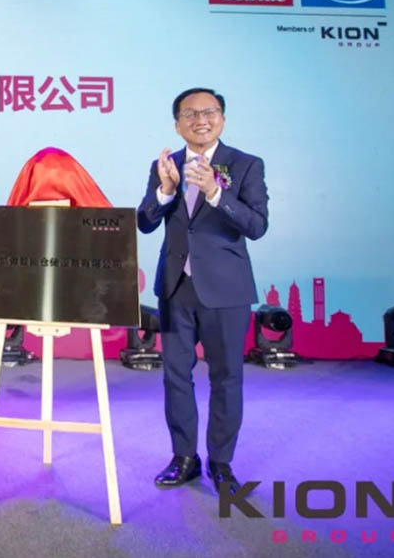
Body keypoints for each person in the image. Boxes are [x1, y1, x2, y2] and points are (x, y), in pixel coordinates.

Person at [136, 88, 268, 495]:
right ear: (177, 125)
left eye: (208, 112)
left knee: (226, 378)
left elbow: (257, 226)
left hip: (226, 291)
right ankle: (184, 458)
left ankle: (221, 463)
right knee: (175, 376)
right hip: (176, 288)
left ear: (222, 119)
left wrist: (214, 192)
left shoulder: (245, 165)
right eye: (189, 114)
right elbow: (144, 222)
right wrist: (164, 191)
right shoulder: (165, 165)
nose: (200, 120)